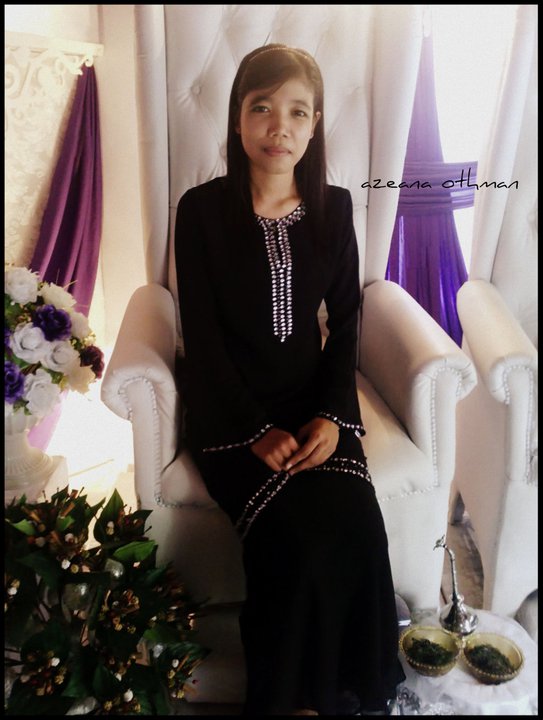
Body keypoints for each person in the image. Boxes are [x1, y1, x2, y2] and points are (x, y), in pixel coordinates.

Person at [175, 44, 405, 716]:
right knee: (295, 540)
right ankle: (288, 702)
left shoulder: (334, 209)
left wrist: (332, 416)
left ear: (314, 125)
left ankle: (341, 694)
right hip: (229, 411)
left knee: (356, 525)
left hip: (313, 405)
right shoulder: (202, 211)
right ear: (237, 119)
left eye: (297, 112)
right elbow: (203, 339)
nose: (279, 127)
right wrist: (253, 430)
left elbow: (347, 321)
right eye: (262, 108)